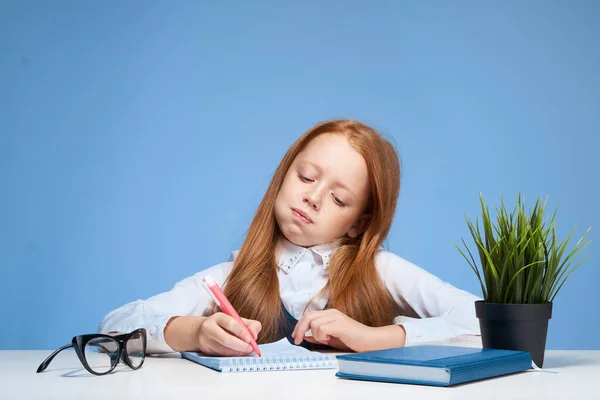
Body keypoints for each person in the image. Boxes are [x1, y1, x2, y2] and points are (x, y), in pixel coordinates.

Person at [99, 119, 481, 356]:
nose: (312, 197)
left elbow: (489, 321)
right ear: (284, 174)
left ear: (359, 224)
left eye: (338, 198)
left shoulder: (381, 270)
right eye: (306, 177)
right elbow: (114, 325)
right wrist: (195, 332)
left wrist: (375, 337)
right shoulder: (234, 274)